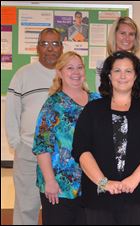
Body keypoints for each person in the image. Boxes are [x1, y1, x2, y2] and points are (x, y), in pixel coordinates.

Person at [71, 51, 140, 225]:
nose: (122, 76)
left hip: (139, 196)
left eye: (128, 71)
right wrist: (104, 183)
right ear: (109, 76)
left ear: (136, 76)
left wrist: (134, 179)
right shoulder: (92, 110)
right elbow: (81, 150)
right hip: (99, 197)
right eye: (117, 71)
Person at [32, 51, 100, 225]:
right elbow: (42, 146)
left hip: (91, 184)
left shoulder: (97, 101)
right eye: (70, 68)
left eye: (79, 67)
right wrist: (50, 181)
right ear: (60, 73)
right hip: (59, 187)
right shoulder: (53, 105)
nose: (76, 72)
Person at [5, 28, 63, 225]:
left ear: (62, 47)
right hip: (28, 150)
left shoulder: (68, 74)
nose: (50, 49)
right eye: (45, 44)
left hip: (59, 155)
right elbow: (11, 110)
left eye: (55, 44)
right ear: (37, 47)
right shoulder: (23, 74)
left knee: (58, 207)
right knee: (26, 207)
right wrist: (16, 143)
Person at [95, 16, 140, 93]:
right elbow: (102, 94)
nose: (127, 38)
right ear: (114, 35)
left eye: (131, 34)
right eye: (123, 33)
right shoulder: (103, 65)